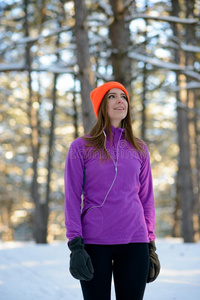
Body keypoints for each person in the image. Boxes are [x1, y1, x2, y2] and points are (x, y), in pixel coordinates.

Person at [64, 81, 160, 300]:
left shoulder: (139, 148)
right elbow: (71, 198)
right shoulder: (81, 147)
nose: (120, 100)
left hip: (135, 242)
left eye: (124, 97)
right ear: (101, 106)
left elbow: (146, 199)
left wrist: (151, 243)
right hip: (95, 244)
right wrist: (75, 245)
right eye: (112, 96)